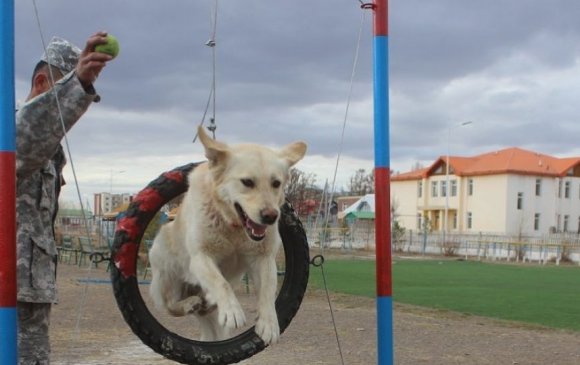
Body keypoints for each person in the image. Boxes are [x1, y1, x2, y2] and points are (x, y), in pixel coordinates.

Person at [15, 32, 114, 365]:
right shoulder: (8, 133)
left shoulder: (50, 150)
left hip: (30, 295)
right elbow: (21, 148)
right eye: (62, 96)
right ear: (43, 82)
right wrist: (79, 84)